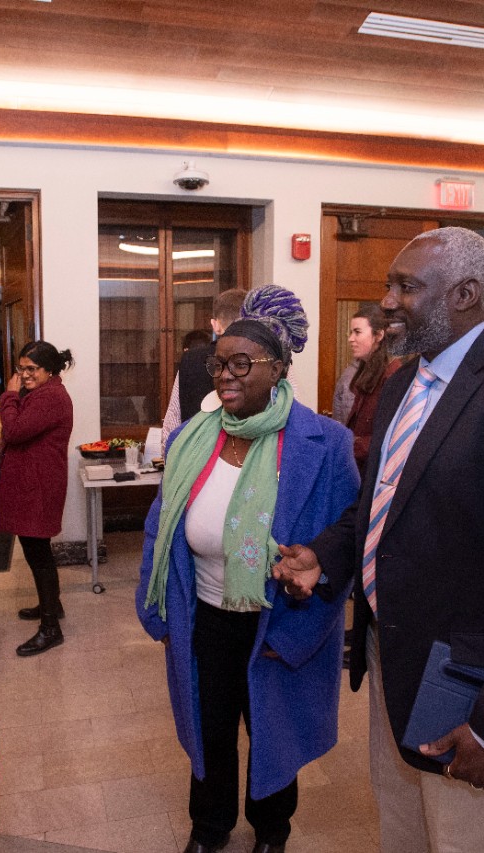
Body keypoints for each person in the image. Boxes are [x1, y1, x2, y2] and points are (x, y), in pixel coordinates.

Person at [275, 227, 484, 853]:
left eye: (406, 287)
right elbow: (380, 506)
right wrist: (327, 553)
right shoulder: (402, 381)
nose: (387, 302)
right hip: (391, 654)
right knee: (402, 823)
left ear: (465, 293)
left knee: (464, 838)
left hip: (465, 682)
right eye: (387, 286)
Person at [137, 285, 360, 853]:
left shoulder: (323, 443)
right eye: (219, 363)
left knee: (272, 735)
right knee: (209, 733)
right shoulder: (193, 438)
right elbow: (158, 527)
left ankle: (271, 832)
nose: (226, 377)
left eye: (243, 364)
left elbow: (344, 544)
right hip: (203, 616)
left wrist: (298, 637)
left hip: (277, 621)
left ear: (280, 369)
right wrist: (159, 611)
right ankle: (209, 830)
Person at [0, 340, 74, 657]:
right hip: (33, 484)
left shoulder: (51, 397)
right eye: (21, 369)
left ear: (49, 371)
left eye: (32, 369)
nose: (25, 375)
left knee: (39, 554)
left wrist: (8, 396)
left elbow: (15, 430)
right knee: (36, 552)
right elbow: (23, 434)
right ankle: (51, 606)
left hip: (38, 487)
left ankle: (50, 628)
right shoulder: (42, 393)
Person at [162, 288, 247, 438]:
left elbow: (171, 426)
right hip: (251, 455)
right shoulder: (266, 359)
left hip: (197, 454)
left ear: (215, 325)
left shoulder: (190, 360)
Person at [341, 304, 405, 472]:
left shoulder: (393, 376)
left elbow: (388, 438)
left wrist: (347, 445)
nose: (350, 339)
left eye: (357, 332)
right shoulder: (367, 371)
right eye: (351, 332)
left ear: (379, 335)